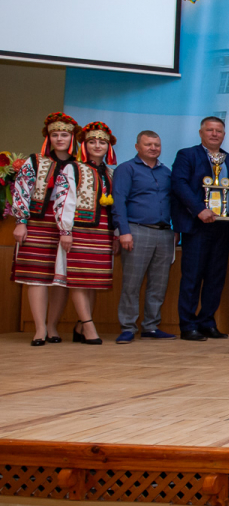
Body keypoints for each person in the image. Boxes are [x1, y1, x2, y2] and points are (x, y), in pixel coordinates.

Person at [12, 113, 81, 346]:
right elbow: (21, 190)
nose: (59, 139)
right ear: (48, 137)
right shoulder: (35, 161)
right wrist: (21, 221)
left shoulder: (79, 165)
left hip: (68, 225)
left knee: (60, 277)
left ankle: (52, 325)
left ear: (72, 137)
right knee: (36, 277)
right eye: (55, 135)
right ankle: (39, 328)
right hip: (38, 222)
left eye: (64, 134)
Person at [172, 116, 229, 342]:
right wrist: (198, 209)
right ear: (201, 133)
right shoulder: (187, 155)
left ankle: (207, 322)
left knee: (215, 277)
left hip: (222, 227)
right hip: (197, 225)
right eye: (210, 130)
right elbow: (179, 184)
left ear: (223, 134)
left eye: (219, 131)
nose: (214, 134)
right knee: (192, 277)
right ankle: (188, 324)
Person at [52, 121, 120, 345]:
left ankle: (81, 325)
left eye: (102, 141)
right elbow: (63, 200)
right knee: (79, 278)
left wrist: (117, 233)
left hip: (103, 231)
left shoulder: (111, 173)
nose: (97, 145)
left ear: (108, 146)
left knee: (94, 281)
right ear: (84, 145)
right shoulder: (73, 168)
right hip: (79, 229)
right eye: (92, 141)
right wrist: (65, 230)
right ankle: (89, 325)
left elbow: (117, 206)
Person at [112, 130, 177, 344]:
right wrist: (124, 232)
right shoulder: (126, 169)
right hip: (136, 230)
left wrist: (175, 231)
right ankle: (128, 327)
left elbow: (173, 203)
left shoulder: (166, 172)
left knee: (159, 284)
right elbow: (119, 202)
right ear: (137, 146)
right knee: (132, 282)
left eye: (156, 145)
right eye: (148, 144)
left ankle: (151, 326)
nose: (153, 148)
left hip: (164, 232)